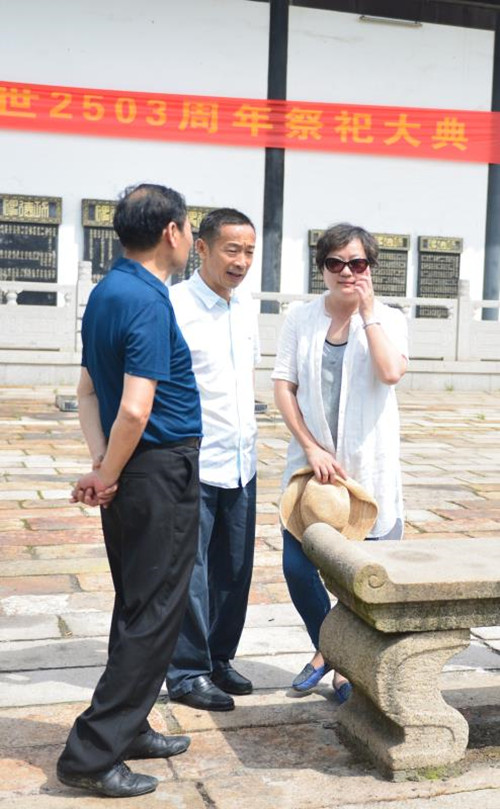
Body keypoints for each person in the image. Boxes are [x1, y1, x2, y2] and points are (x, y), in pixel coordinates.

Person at [56, 184, 202, 798]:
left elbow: (89, 391)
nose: (191, 238)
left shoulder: (107, 291)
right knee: (156, 610)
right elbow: (137, 408)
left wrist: (102, 463)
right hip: (157, 471)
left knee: (138, 602)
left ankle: (131, 725)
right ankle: (92, 753)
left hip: (130, 471)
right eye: (190, 228)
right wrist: (109, 472)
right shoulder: (146, 299)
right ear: (171, 231)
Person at [272, 222, 408, 702]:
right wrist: (310, 446)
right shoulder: (301, 318)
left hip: (367, 470)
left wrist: (367, 314)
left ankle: (342, 666)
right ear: (322, 268)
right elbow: (284, 386)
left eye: (357, 263)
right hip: (313, 472)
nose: (346, 272)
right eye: (335, 263)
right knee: (297, 566)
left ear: (371, 267)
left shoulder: (389, 318)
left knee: (365, 578)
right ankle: (331, 650)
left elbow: (390, 372)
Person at [166, 208, 259, 712]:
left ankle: (219, 658)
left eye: (249, 252)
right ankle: (187, 672)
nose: (241, 261)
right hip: (194, 462)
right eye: (232, 249)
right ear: (201, 248)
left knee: (234, 569)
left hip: (242, 460)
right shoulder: (175, 306)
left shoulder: (244, 308)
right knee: (192, 572)